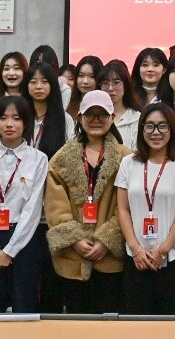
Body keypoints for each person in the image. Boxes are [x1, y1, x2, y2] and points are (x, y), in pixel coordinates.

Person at [115, 102, 175, 314]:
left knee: (171, 323)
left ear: (172, 130)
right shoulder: (128, 163)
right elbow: (123, 209)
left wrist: (163, 250)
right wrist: (136, 248)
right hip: (136, 257)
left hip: (174, 257)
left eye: (163, 126)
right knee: (137, 322)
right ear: (141, 129)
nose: (156, 132)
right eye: (150, 126)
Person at [45, 90, 129, 313]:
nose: (96, 120)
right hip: (73, 257)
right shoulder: (61, 159)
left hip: (110, 259)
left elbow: (127, 206)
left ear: (112, 117)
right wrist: (74, 239)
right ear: (80, 117)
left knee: (109, 319)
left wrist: (107, 240)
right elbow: (55, 205)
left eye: (102, 115)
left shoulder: (126, 158)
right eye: (90, 114)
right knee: (77, 321)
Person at [0, 95, 48, 314]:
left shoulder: (38, 159)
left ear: (26, 122)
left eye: (16, 118)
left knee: (24, 308)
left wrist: (10, 251)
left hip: (24, 240)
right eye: (3, 118)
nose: (9, 124)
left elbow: (33, 209)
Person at [26, 63, 69, 159]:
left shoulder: (64, 118)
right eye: (33, 82)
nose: (39, 87)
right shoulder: (20, 116)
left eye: (44, 82)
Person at [99, 61, 140, 146]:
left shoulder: (136, 118)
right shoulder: (91, 116)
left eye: (116, 82)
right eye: (105, 83)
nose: (110, 88)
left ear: (126, 85)